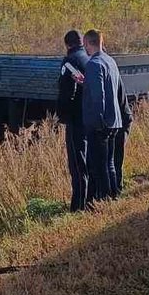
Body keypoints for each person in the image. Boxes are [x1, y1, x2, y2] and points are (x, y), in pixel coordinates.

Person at [81, 29, 123, 204]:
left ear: (88, 43)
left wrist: (97, 122)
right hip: (114, 120)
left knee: (100, 167)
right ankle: (114, 197)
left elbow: (99, 96)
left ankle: (104, 201)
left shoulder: (93, 64)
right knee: (110, 163)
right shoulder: (110, 61)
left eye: (85, 45)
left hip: (100, 122)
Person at [55, 29, 90, 211]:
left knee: (77, 164)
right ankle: (90, 200)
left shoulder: (70, 62)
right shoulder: (88, 58)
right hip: (89, 118)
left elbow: (66, 92)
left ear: (67, 44)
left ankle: (78, 206)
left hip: (76, 119)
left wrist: (62, 116)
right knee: (87, 161)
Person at [113, 75, 132, 194]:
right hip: (121, 118)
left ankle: (116, 191)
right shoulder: (110, 67)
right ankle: (116, 190)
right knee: (115, 160)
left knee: (115, 160)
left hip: (121, 120)